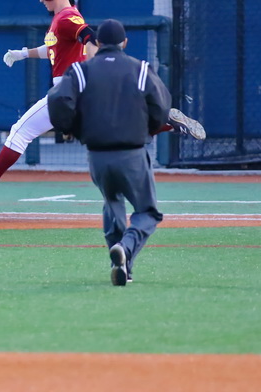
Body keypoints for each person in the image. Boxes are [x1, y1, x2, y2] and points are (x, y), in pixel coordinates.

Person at [0, 0, 205, 200]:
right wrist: (23, 53)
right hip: (79, 92)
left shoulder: (67, 17)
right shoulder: (62, 18)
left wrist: (98, 65)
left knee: (20, 132)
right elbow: (53, 50)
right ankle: (167, 124)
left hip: (67, 92)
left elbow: (90, 37)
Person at [47, 19, 171, 286]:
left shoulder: (80, 71)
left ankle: (123, 266)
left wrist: (69, 128)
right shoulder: (140, 69)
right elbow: (161, 107)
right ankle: (126, 247)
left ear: (98, 43)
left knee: (112, 202)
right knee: (147, 212)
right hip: (132, 153)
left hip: (97, 155)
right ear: (124, 42)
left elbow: (58, 100)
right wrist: (149, 129)